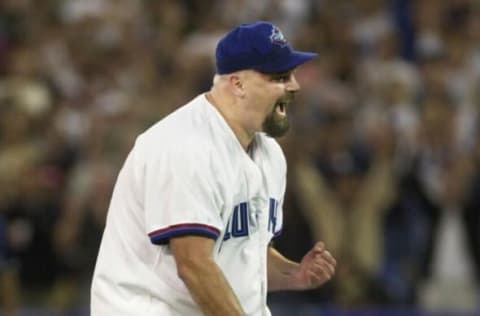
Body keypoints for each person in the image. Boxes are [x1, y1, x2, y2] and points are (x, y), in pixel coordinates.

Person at [91, 21, 336, 316]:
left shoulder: (269, 153)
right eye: (280, 77)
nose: (294, 85)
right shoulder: (185, 147)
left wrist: (295, 275)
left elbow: (243, 255)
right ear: (238, 84)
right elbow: (194, 265)